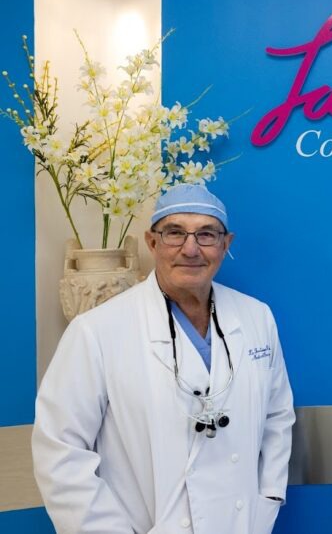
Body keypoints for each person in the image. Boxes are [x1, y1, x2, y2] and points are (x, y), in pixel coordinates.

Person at [32, 184, 295, 534]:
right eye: (174, 233)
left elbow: (278, 417)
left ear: (225, 244)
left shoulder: (256, 317)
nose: (191, 249)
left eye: (206, 234)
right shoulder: (96, 331)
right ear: (152, 243)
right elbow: (60, 454)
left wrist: (269, 499)